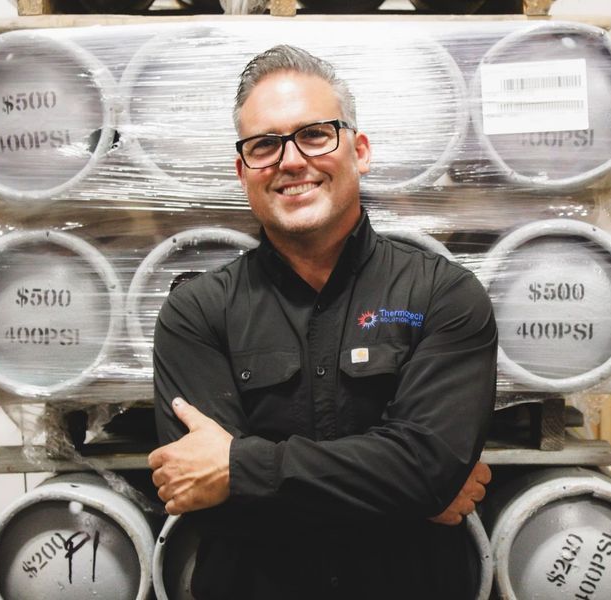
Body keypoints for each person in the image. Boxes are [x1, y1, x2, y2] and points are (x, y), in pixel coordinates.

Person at [149, 44, 497, 600]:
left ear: (358, 149)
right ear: (243, 172)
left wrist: (237, 468)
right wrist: (403, 489)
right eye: (265, 145)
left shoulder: (443, 295)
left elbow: (427, 472)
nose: (290, 161)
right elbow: (204, 501)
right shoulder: (197, 314)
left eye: (314, 135)